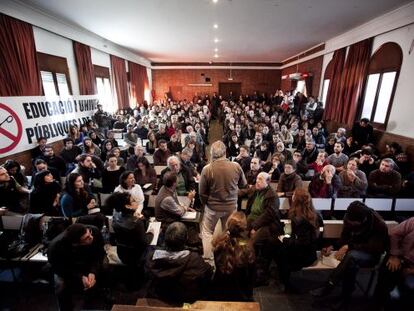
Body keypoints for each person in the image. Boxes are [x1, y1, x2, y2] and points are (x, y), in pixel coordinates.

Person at [312, 201, 389, 308]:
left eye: (354, 224)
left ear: (363, 220)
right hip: (353, 254)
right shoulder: (349, 218)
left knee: (351, 256)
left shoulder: (378, 224)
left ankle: (329, 286)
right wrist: (332, 247)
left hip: (371, 256)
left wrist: (349, 246)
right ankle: (345, 297)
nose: (350, 225)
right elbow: (344, 238)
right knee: (351, 264)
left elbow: (373, 248)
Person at [199, 141, 247, 261]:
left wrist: (206, 204)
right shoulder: (236, 166)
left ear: (212, 153)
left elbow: (201, 193)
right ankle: (225, 258)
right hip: (231, 207)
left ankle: (208, 258)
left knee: (207, 232)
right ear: (225, 152)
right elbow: (243, 185)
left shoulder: (207, 169)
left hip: (213, 207)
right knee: (228, 232)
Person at [146, 222, 213, 304]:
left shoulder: (151, 256)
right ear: (186, 239)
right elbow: (208, 273)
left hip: (161, 295)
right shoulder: (195, 260)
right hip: (186, 299)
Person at [273, 188, 323, 290]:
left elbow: (301, 243)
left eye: (293, 195)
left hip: (305, 255)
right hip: (307, 250)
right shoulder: (315, 214)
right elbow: (319, 233)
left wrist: (284, 239)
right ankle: (282, 277)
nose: (292, 197)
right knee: (276, 244)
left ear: (296, 200)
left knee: (280, 249)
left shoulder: (301, 219)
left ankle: (286, 283)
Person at [48, 223, 105, 311]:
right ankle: (65, 308)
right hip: (69, 267)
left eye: (89, 233)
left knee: (105, 265)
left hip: (89, 260)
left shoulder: (94, 231)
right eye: (86, 238)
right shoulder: (56, 247)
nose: (91, 237)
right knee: (60, 284)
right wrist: (80, 276)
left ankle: (100, 295)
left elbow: (99, 255)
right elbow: (60, 269)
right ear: (76, 243)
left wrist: (93, 272)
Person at [211, 211, 256, 301]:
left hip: (219, 293)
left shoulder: (219, 244)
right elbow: (251, 278)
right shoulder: (248, 249)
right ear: (244, 228)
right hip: (241, 296)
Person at [374, 217, 414, 310]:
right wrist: (394, 255)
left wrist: (412, 271)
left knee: (408, 293)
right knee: (387, 271)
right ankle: (379, 304)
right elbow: (394, 233)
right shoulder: (412, 222)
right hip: (400, 257)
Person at [107, 192, 153, 268]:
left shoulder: (116, 216)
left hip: (122, 253)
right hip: (137, 257)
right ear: (128, 206)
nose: (136, 201)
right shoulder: (136, 223)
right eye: (133, 200)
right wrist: (151, 232)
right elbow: (145, 242)